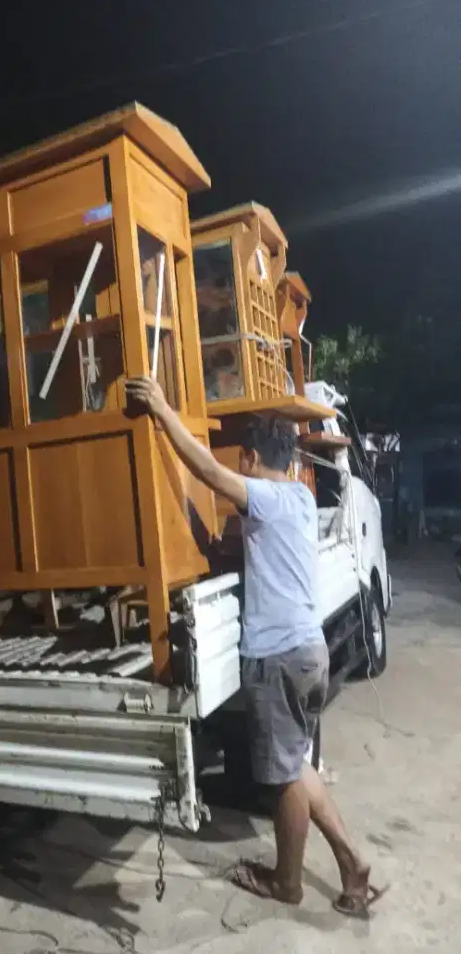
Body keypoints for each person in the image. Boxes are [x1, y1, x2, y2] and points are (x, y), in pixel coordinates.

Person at [126, 376, 384, 918]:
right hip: (309, 653)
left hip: (279, 660)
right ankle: (351, 862)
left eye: (240, 460)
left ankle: (287, 881)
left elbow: (209, 471)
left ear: (249, 457)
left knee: (286, 780)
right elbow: (235, 547)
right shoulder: (297, 496)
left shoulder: (262, 495)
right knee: (299, 770)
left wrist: (161, 411)